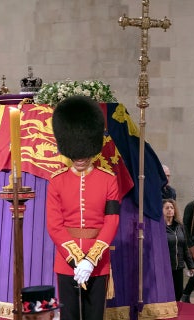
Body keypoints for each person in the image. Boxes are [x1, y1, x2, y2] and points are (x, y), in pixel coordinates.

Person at [47, 96, 119, 320]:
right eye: (76, 154)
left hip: (97, 264)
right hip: (66, 262)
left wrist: (90, 259)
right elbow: (54, 225)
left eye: (84, 153)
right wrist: (76, 258)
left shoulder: (108, 179)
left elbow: (112, 221)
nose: (80, 159)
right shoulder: (57, 181)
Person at [163, 198, 194, 301]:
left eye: (172, 207)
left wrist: (190, 265)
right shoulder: (159, 228)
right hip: (165, 268)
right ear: (162, 210)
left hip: (178, 267)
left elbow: (185, 248)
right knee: (166, 294)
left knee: (178, 293)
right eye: (167, 208)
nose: (170, 210)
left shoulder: (180, 227)